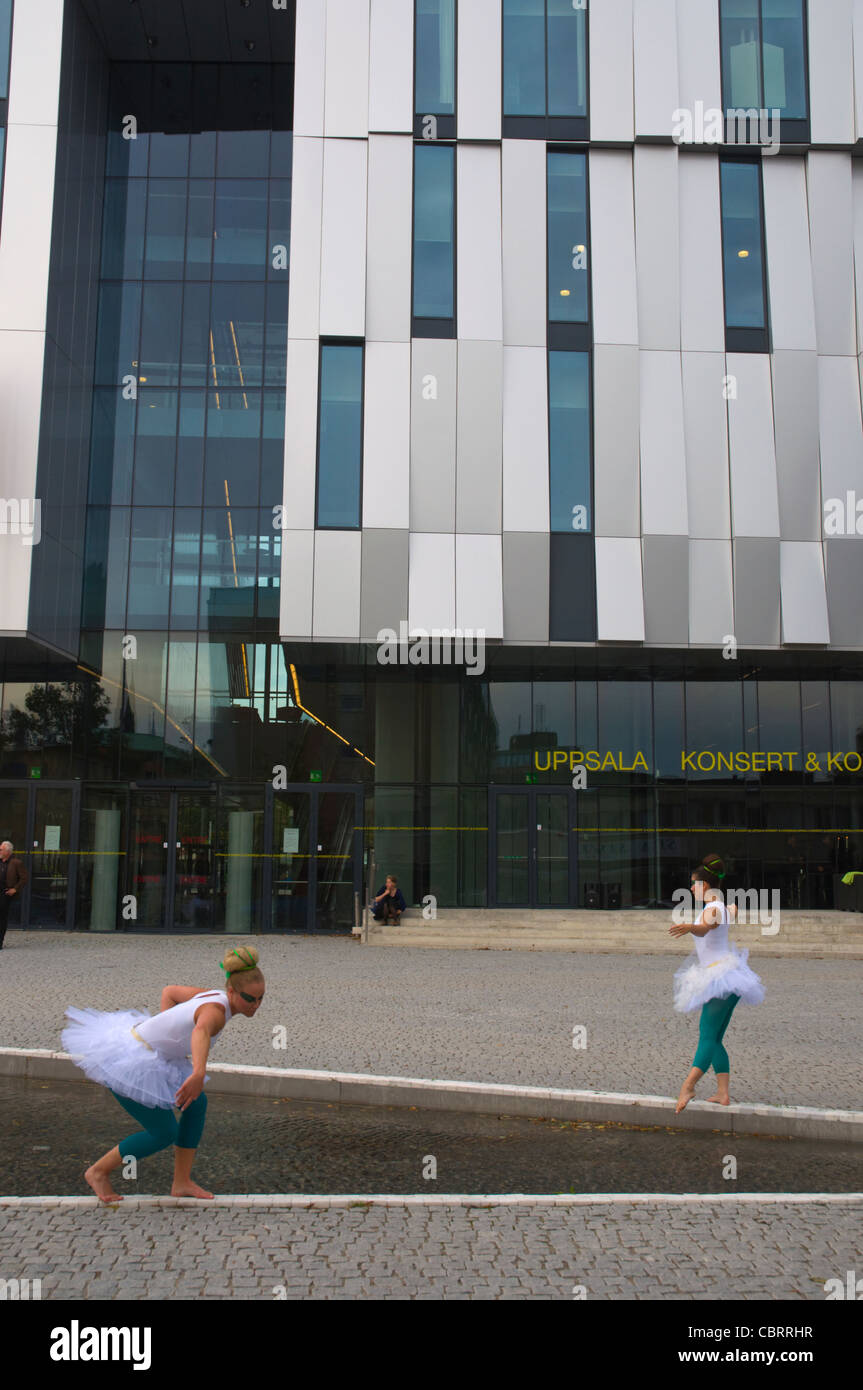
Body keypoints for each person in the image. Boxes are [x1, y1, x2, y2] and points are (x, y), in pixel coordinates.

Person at [61, 944, 264, 1203]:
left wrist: (169, 1035)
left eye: (261, 998)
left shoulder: (214, 995)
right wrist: (198, 1072)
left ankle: (181, 1182)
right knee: (163, 1132)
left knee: (196, 1103)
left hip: (154, 1056)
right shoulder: (216, 1011)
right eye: (250, 998)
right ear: (232, 991)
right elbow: (200, 1031)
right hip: (131, 1061)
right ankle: (98, 1172)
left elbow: (169, 993)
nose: (256, 1005)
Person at [669, 854, 765, 1114]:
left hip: (720, 979)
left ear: (706, 885)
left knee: (707, 1036)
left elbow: (706, 928)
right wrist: (694, 924)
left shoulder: (712, 910)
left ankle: (688, 1086)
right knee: (715, 1038)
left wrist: (691, 926)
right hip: (728, 977)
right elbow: (727, 913)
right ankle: (723, 1093)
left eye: (694, 883)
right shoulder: (723, 906)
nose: (691, 888)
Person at [0, 840, 28, 949]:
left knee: (2, 918)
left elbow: (24, 878)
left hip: (5, 894)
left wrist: (15, 889)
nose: (0, 851)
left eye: (1, 849)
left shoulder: (16, 863)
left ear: (8, 851)